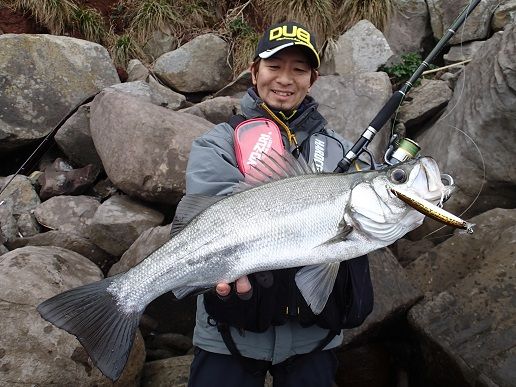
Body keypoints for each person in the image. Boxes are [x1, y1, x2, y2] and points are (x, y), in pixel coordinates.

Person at [183, 21, 373, 387]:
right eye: (274, 66)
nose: (285, 79)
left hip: (313, 339)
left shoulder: (341, 151)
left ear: (312, 80)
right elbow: (208, 217)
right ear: (254, 72)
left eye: (299, 69)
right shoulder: (215, 144)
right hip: (228, 335)